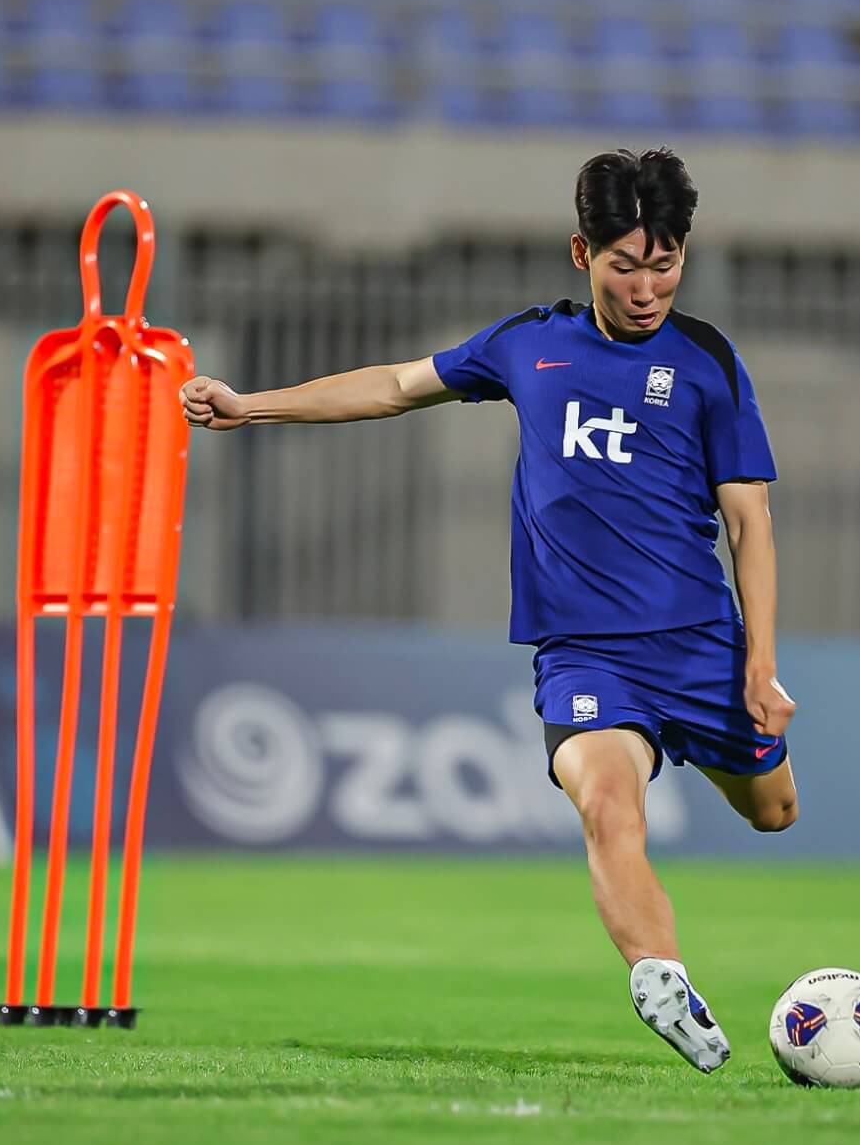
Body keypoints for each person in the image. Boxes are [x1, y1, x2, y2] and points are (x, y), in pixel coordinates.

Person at [180, 147, 798, 1074]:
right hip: (586, 655)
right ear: (581, 253)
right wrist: (249, 406)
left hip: (700, 644)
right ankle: (660, 975)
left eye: (663, 265)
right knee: (607, 805)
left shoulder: (707, 363)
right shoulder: (528, 344)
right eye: (624, 266)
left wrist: (759, 663)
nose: (645, 289)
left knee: (774, 810)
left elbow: (749, 521)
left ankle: (710, 772)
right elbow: (395, 385)